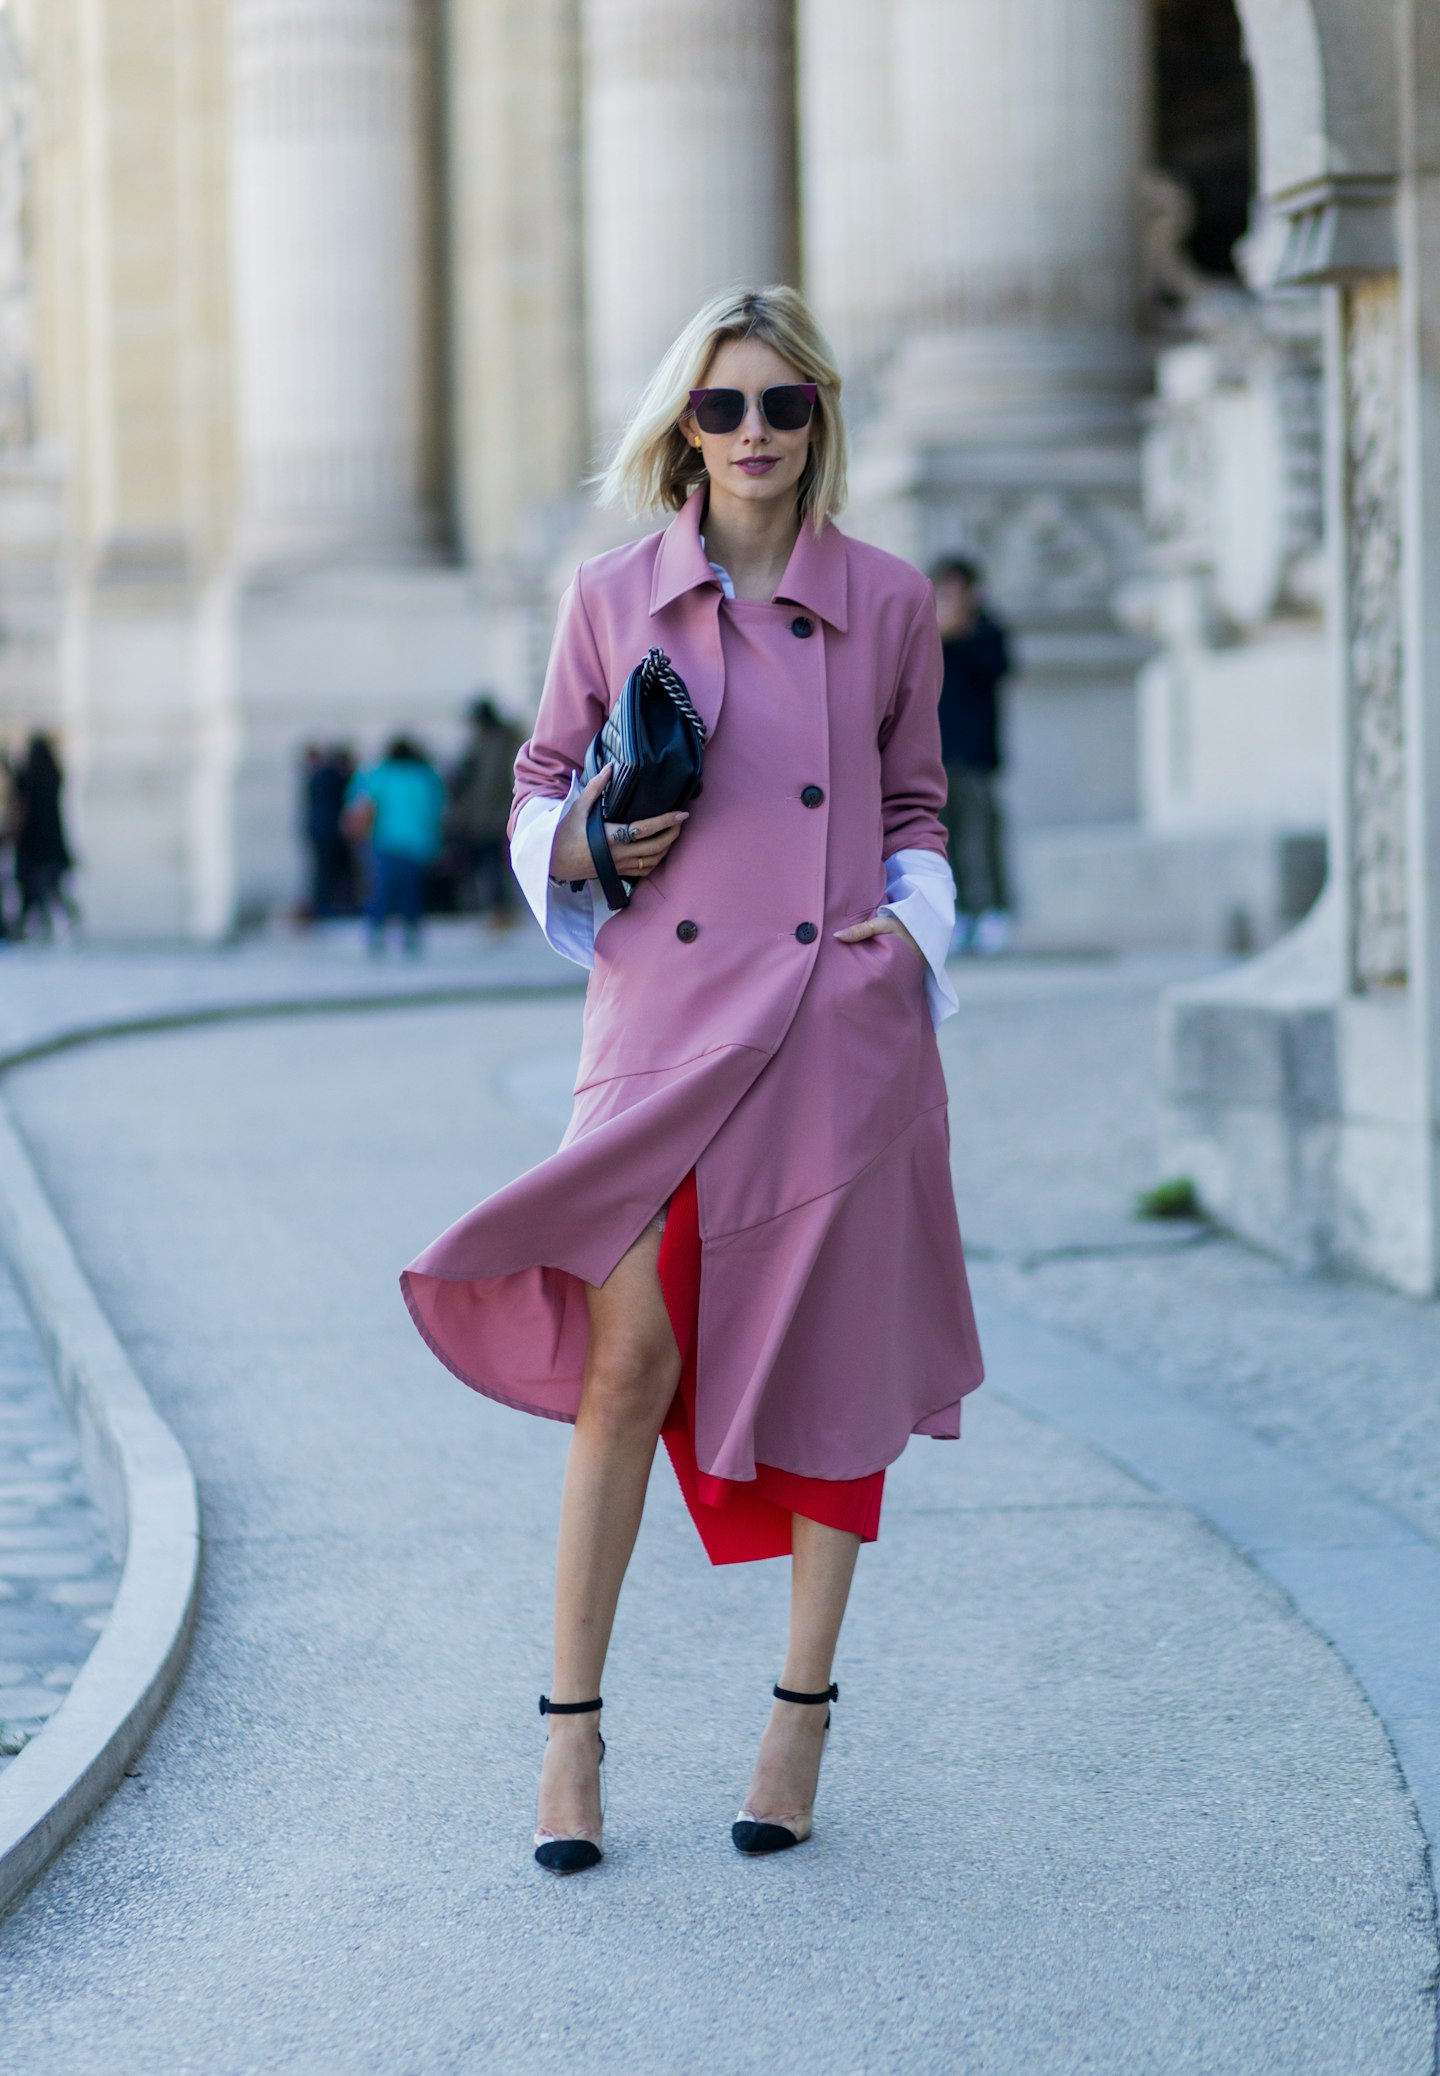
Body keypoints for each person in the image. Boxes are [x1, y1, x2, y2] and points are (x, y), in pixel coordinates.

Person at [400, 286, 984, 1875]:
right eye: (723, 407)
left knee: (832, 1366)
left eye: (782, 407)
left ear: (821, 423)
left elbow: (921, 801)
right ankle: (569, 1737)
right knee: (624, 1365)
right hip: (663, 1019)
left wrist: (908, 940)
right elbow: (538, 779)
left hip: (834, 1025)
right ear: (682, 426)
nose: (752, 436)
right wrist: (583, 840)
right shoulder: (611, 597)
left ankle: (798, 1714)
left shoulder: (889, 600)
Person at [930, 556, 1013, 954]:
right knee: (945, 837)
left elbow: (1000, 669)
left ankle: (994, 910)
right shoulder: (926, 632)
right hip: (937, 752)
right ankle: (960, 912)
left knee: (983, 834)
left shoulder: (987, 629)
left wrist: (963, 636)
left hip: (976, 753)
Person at [344, 735, 447, 955]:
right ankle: (411, 932)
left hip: (385, 841)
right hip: (418, 843)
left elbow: (361, 802)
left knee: (382, 889)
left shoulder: (381, 773)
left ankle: (376, 931)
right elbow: (438, 808)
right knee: (411, 890)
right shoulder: (425, 776)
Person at [445, 696, 525, 927]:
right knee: (493, 867)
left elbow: (490, 786)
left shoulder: (497, 742)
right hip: (489, 817)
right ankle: (499, 911)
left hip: (496, 817)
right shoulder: (491, 741)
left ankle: (502, 912)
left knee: (495, 867)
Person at [12, 733, 78, 939]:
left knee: (35, 891)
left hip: (32, 847)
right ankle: (52, 923)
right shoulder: (54, 777)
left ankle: (34, 925)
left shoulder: (29, 779)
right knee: (52, 891)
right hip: (52, 848)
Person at [300, 743, 356, 922]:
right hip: (330, 832)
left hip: (318, 831)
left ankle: (322, 906)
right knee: (328, 871)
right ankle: (327, 907)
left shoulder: (316, 777)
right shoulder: (333, 777)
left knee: (321, 871)